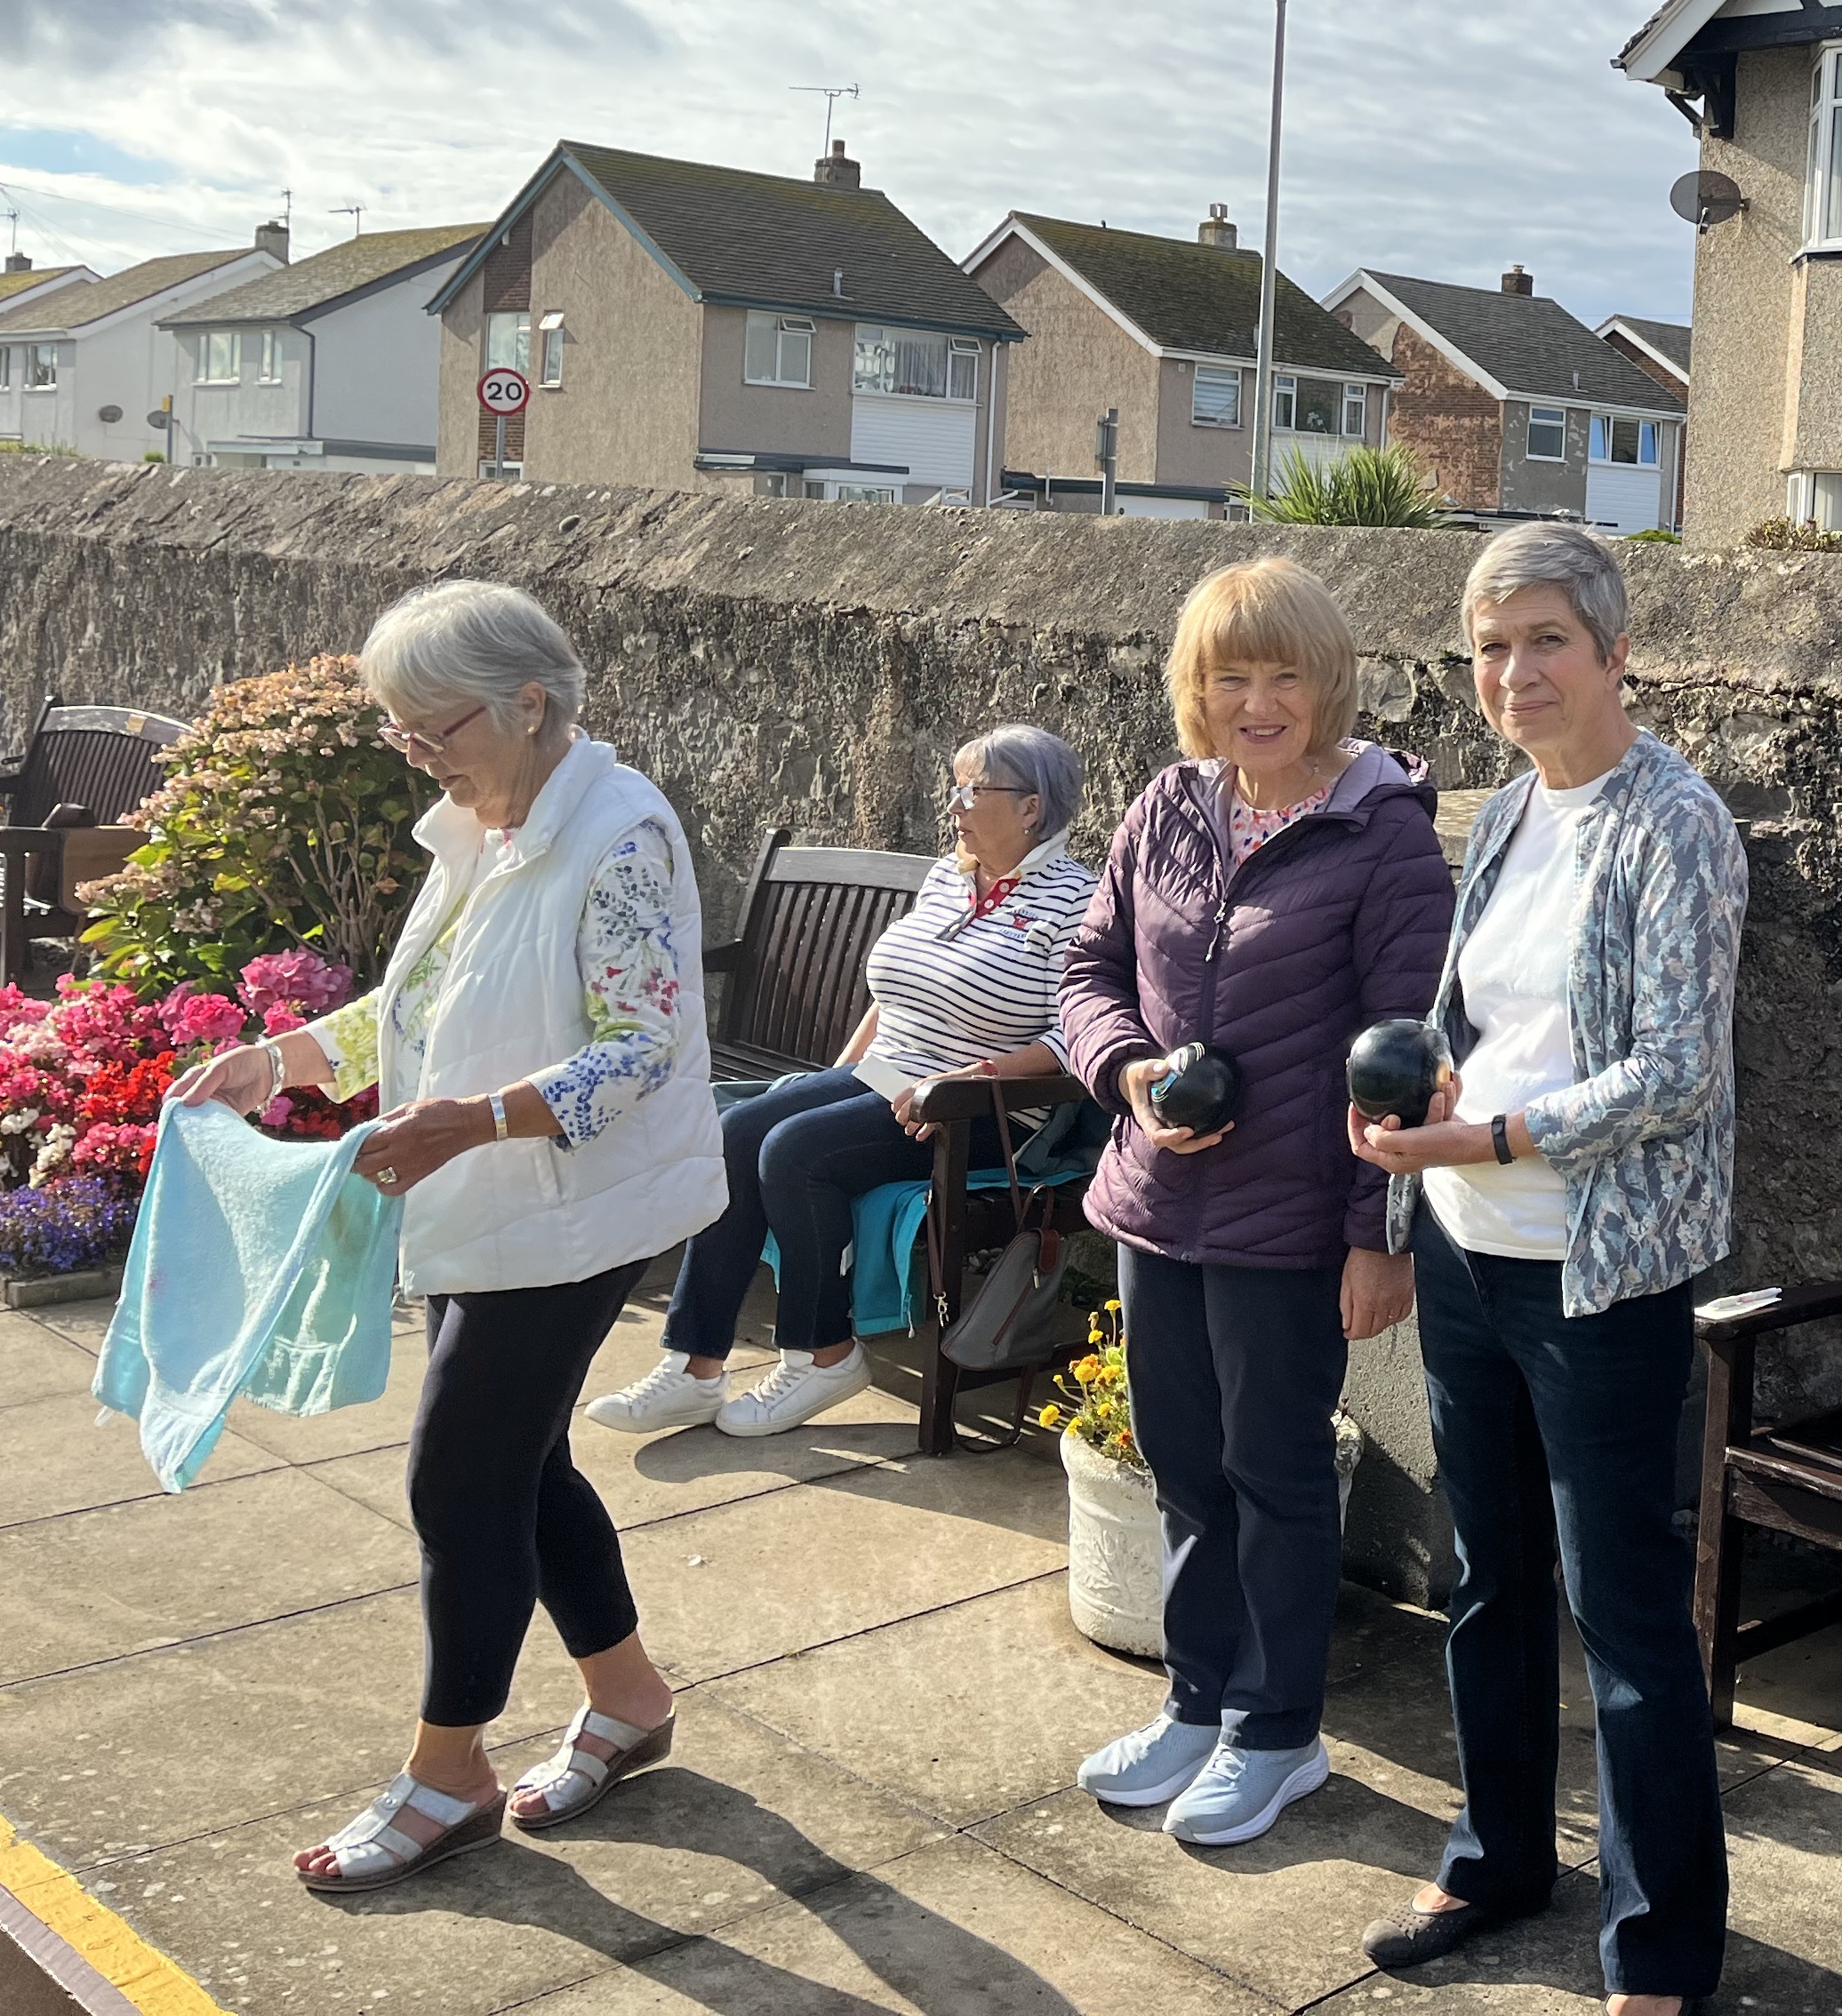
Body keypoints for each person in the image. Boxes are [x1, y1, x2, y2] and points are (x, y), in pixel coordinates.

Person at [175, 580, 730, 1895]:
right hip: (490, 1200)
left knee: (457, 1479)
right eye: (400, 732)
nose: (417, 754)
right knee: (519, 1465)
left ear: (529, 704)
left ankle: (449, 1772)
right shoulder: (484, 819)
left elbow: (645, 1049)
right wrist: (287, 1058)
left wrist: (471, 1122)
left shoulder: (619, 833)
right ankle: (630, 1700)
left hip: (572, 1214)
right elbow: (421, 993)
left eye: (434, 729)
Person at [1346, 522, 1744, 2016]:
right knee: (1486, 1575)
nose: (1512, 671)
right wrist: (1408, 1110)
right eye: (1488, 645)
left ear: (1613, 648)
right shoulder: (1509, 812)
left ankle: (1659, 1948)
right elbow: (1472, 1020)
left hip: (1600, 1273)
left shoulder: (1673, 820)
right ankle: (1497, 1852)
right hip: (1467, 1251)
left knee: (1625, 1609)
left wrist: (1489, 1129)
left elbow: (1677, 1073)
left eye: (1543, 641)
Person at [1061, 556, 1454, 1848]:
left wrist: (1373, 1237)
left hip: (1293, 1218)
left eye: (1286, 674)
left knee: (1274, 1472)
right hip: (1159, 1202)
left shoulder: (1382, 832)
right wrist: (1126, 1073)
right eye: (1232, 675)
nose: (1259, 701)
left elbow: (1409, 1052)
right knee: (1182, 1463)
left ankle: (1281, 1734)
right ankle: (1198, 1704)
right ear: (1198, 688)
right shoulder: (1167, 807)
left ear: (1328, 683)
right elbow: (1090, 969)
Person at [590, 724, 1096, 1438]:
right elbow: (895, 992)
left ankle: (822, 1354)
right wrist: (834, 1077)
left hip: (984, 1111)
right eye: (954, 787)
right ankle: (694, 1364)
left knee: (795, 1154)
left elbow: (1071, 1034)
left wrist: (966, 1080)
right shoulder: (949, 876)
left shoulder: (1078, 901)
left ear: (1031, 809)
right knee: (736, 1132)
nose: (953, 804)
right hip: (888, 1074)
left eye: (971, 790)